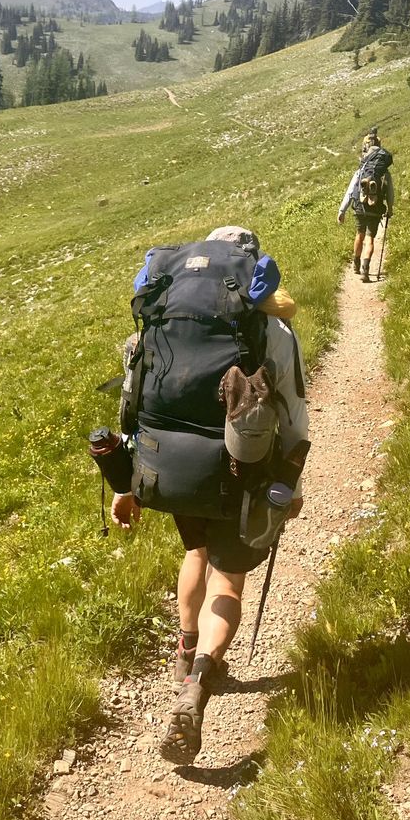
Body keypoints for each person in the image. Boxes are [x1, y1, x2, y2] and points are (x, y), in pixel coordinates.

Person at [110, 225, 309, 766]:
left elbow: (133, 401)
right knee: (230, 577)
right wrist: (289, 483)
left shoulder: (159, 323)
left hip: (169, 468)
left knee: (194, 553)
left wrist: (127, 484)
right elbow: (292, 410)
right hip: (241, 473)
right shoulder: (272, 332)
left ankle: (183, 646)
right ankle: (200, 680)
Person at [338, 152, 394, 283]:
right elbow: (390, 193)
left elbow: (350, 191)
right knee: (369, 240)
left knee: (359, 235)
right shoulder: (384, 172)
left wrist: (342, 211)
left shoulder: (361, 170)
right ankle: (365, 269)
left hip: (359, 207)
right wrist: (390, 209)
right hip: (375, 209)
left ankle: (356, 264)